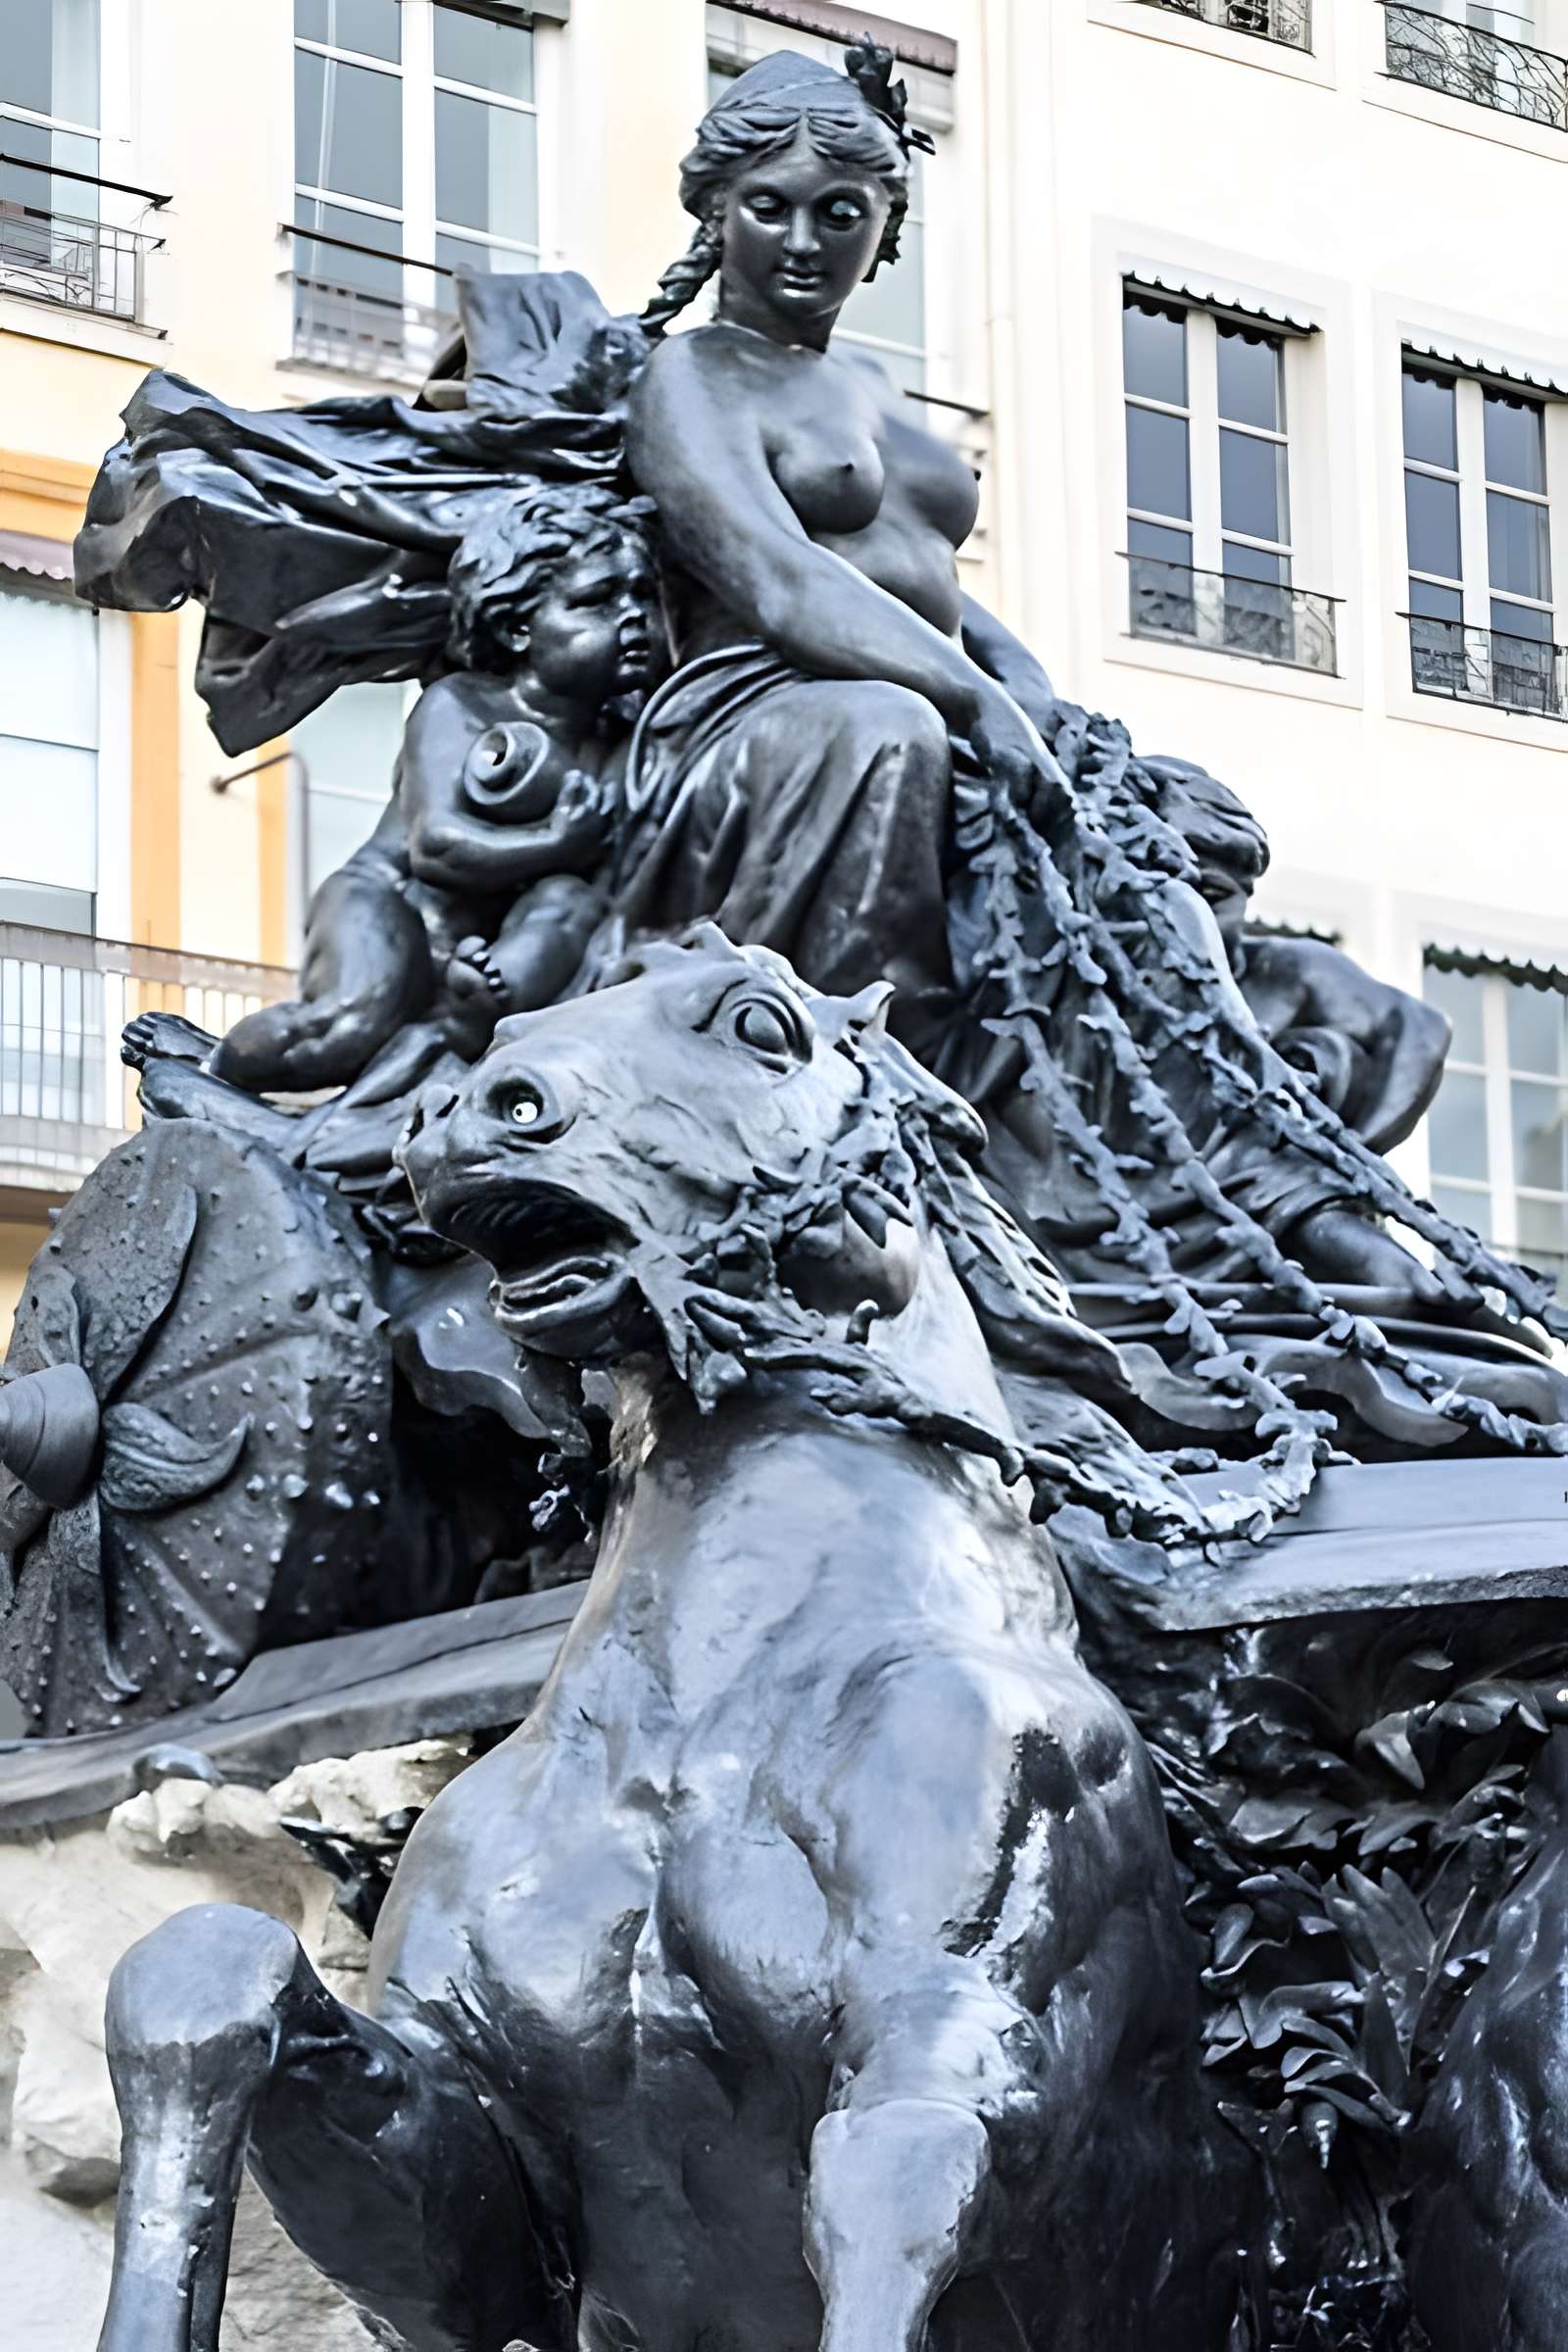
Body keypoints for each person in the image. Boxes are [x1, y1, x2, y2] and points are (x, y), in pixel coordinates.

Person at [211, 485, 663, 1094]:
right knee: (345, 1028)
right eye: (599, 600)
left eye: (642, 595)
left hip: (477, 944)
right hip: (388, 899)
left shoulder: (622, 737)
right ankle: (218, 1069)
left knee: (572, 902)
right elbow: (438, 847)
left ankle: (486, 1003)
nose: (633, 615)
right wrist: (557, 840)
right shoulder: (462, 705)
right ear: (519, 626)